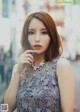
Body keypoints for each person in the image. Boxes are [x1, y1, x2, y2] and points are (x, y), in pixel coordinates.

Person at [4, 11, 74, 112]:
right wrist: (17, 72)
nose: (37, 39)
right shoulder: (18, 68)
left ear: (52, 36)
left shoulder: (61, 65)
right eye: (31, 32)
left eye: (44, 32)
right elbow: (5, 109)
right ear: (26, 37)